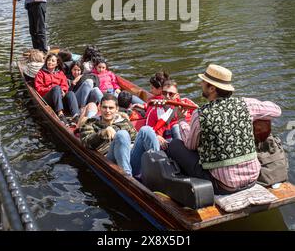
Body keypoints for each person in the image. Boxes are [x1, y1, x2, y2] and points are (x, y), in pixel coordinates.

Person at [168, 63, 281, 195]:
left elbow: (190, 145)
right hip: (253, 178)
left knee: (175, 145)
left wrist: (181, 120)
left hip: (224, 185)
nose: (200, 84)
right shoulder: (245, 104)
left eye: (203, 82)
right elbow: (276, 110)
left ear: (212, 89)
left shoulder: (199, 114)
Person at [80, 95, 159, 176]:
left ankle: (159, 169)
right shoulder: (91, 123)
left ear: (116, 109)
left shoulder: (123, 122)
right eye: (104, 107)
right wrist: (102, 133)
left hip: (130, 157)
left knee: (147, 130)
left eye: (111, 108)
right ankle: (127, 177)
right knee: (122, 134)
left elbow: (135, 138)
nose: (107, 111)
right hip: (111, 160)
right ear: (99, 107)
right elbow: (86, 142)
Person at [34, 53, 80, 125]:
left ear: (57, 63)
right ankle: (60, 114)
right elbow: (39, 89)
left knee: (70, 93)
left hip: (59, 98)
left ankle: (76, 116)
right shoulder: (41, 73)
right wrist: (51, 88)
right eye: (49, 60)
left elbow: (65, 86)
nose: (50, 62)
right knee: (56, 88)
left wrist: (63, 91)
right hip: (47, 99)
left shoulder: (60, 73)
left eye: (53, 61)